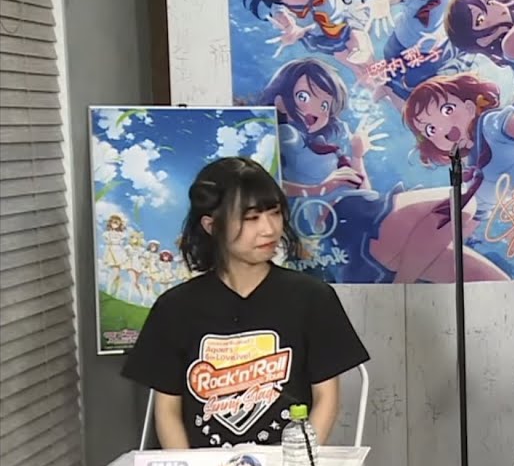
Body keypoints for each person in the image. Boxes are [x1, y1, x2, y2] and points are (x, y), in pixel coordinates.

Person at [123, 157, 370, 450]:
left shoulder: (313, 298)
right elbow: (167, 412)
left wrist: (297, 464)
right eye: (251, 218)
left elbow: (327, 399)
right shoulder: (174, 308)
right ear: (211, 225)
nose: (269, 229)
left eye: (274, 213)